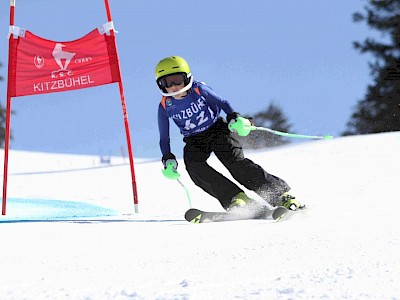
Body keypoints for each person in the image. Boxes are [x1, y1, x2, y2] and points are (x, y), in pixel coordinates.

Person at [156, 56, 303, 212]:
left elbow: (223, 103)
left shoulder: (199, 90)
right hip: (194, 140)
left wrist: (234, 116)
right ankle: (236, 198)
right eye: (167, 82)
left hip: (217, 129)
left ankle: (280, 196)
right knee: (194, 168)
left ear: (187, 78)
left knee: (236, 164)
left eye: (177, 80)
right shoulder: (165, 106)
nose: (173, 86)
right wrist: (167, 157)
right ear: (161, 85)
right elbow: (164, 138)